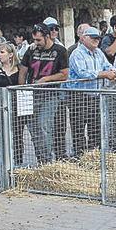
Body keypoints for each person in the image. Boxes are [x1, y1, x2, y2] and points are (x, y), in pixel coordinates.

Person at [18, 22, 69, 163]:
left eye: (39, 40)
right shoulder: (31, 50)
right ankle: (41, 159)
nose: (36, 43)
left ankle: (47, 159)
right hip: (31, 94)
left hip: (50, 94)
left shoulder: (60, 50)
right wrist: (22, 90)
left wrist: (46, 79)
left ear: (47, 37)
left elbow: (64, 74)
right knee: (34, 129)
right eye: (34, 40)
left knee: (43, 125)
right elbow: (23, 70)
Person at [67, 26, 116, 155]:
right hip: (79, 96)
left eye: (98, 38)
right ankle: (79, 156)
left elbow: (109, 66)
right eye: (93, 38)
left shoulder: (99, 53)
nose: (96, 40)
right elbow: (82, 73)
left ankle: (94, 156)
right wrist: (105, 74)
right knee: (78, 129)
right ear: (83, 38)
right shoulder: (77, 53)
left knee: (95, 128)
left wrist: (113, 72)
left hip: (95, 95)